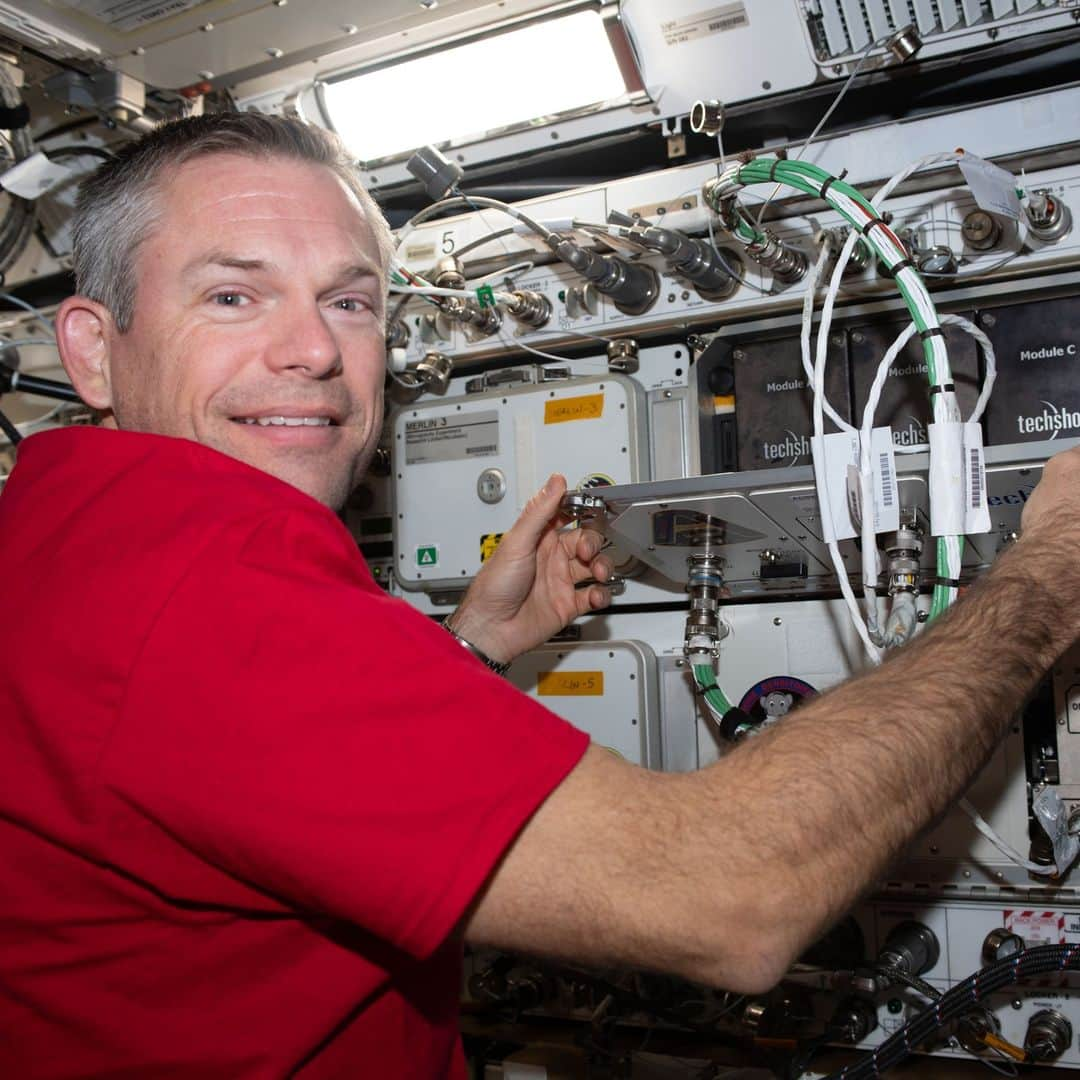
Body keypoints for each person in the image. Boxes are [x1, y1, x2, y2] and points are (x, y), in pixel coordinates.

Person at [0, 111, 1077, 1079]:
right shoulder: (200, 574)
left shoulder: (62, 544)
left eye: (350, 300)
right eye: (232, 296)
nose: (314, 350)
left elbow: (223, 782)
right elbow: (732, 901)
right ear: (94, 349)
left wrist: (462, 649)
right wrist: (1044, 579)